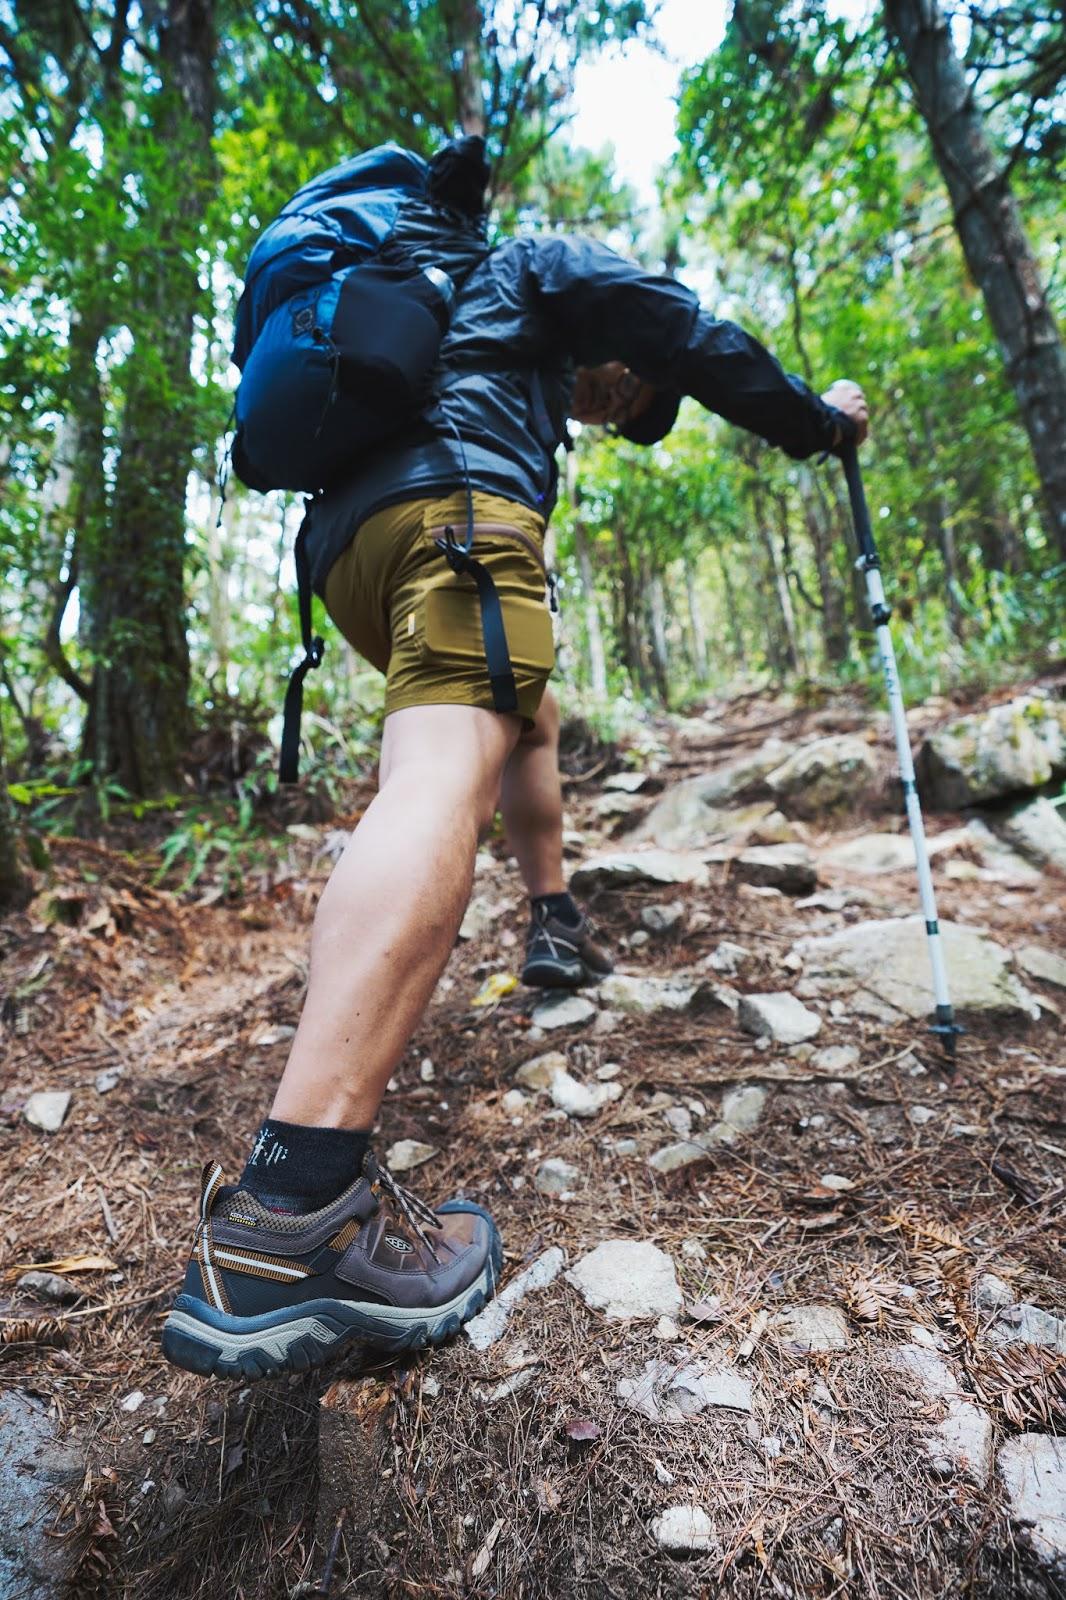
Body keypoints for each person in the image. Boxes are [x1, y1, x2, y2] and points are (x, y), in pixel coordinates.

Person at [162, 137, 868, 1380]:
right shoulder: (524, 267)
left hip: (353, 554)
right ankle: (293, 1211)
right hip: (458, 519)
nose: (611, 405)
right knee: (439, 773)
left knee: (508, 722)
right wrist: (813, 423)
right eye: (614, 392)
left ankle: (551, 916)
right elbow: (689, 331)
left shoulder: (401, 295)